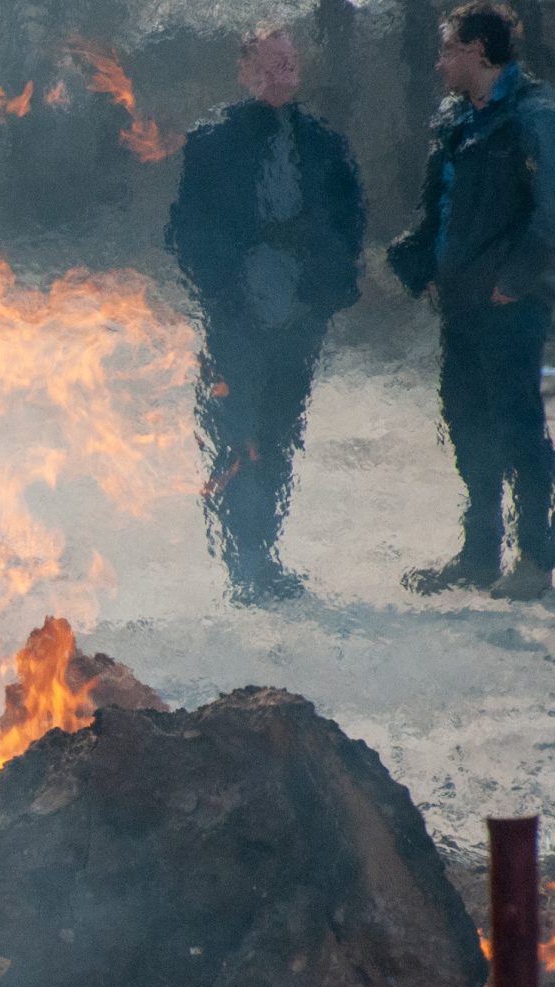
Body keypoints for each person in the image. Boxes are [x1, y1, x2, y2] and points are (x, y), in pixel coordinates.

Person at [387, 0, 555, 602]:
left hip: (509, 301)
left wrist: (516, 278)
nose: (440, 60)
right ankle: (478, 555)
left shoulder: (532, 114)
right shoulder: (453, 118)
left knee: (518, 425)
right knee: (467, 423)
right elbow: (436, 206)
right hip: (462, 301)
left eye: (448, 48)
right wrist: (417, 265)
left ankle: (535, 559)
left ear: (477, 51)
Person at [163, 26, 365, 607]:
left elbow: (349, 221)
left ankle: (266, 554)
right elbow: (187, 229)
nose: (283, 74)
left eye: (290, 64)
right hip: (236, 316)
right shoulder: (213, 142)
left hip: (300, 316)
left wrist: (329, 287)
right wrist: (221, 286)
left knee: (278, 437)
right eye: (271, 64)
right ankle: (242, 560)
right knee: (234, 435)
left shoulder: (324, 144)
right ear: (246, 71)